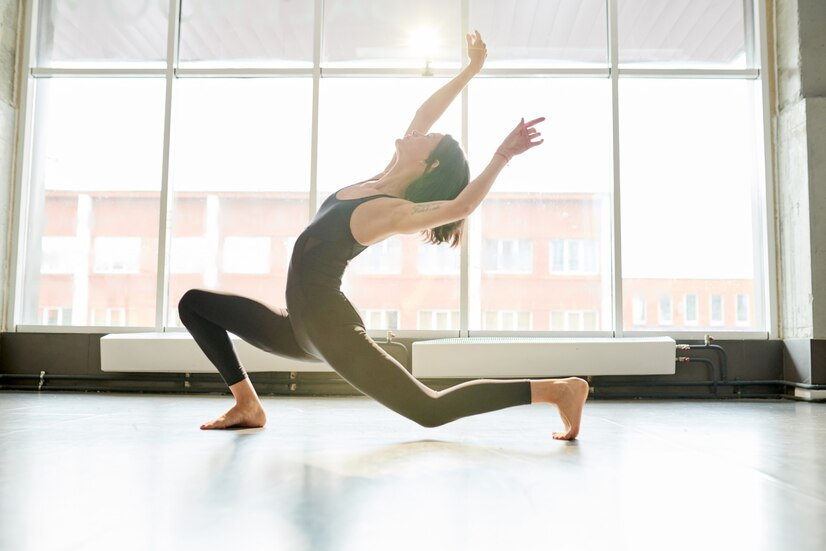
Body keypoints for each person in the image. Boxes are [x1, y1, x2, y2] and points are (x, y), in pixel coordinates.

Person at [178, 31, 589, 440]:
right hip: (297, 327)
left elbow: (459, 207)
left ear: (428, 168)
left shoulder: (389, 211)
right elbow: (425, 114)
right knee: (194, 305)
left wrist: (501, 156)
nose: (418, 131)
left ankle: (559, 390)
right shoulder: (377, 181)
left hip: (330, 329)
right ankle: (247, 403)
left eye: (427, 139)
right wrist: (471, 70)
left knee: (430, 409)